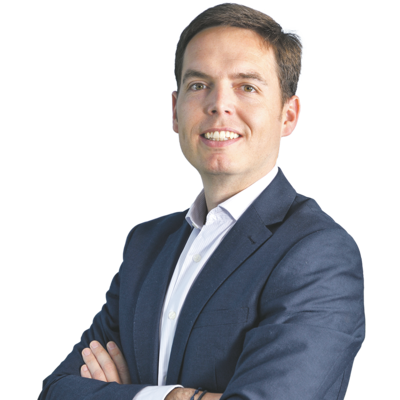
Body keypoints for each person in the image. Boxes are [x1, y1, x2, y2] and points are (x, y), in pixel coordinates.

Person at [37, 2, 366, 400]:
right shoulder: (145, 244)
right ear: (174, 112)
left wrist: (125, 395)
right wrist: (177, 397)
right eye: (198, 85)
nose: (218, 105)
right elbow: (57, 390)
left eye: (247, 86)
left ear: (289, 115)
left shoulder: (319, 252)